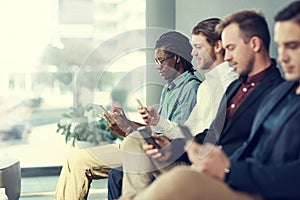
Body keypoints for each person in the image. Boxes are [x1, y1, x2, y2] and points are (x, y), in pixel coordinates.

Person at [121, 3, 300, 199]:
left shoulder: (273, 90)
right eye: (280, 46)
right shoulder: (255, 90)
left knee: (178, 179)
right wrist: (175, 145)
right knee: (136, 142)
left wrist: (228, 169)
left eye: (230, 48)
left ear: (255, 45)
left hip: (238, 175)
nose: (282, 56)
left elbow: (251, 147)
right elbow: (211, 132)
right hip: (217, 164)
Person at [54, 31, 200, 200]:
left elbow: (174, 138)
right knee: (75, 158)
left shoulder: (191, 89)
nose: (157, 66)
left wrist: (130, 130)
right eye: (155, 61)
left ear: (176, 58)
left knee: (78, 161)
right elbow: (157, 130)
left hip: (152, 154)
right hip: (141, 146)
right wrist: (125, 124)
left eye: (161, 60)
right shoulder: (170, 87)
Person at [107, 18, 238, 199]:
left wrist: (178, 145)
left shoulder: (229, 84)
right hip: (184, 151)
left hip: (193, 159)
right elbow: (189, 129)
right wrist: (158, 122)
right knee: (134, 141)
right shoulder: (206, 86)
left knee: (126, 158)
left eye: (198, 47)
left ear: (217, 46)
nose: (192, 53)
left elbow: (212, 135)